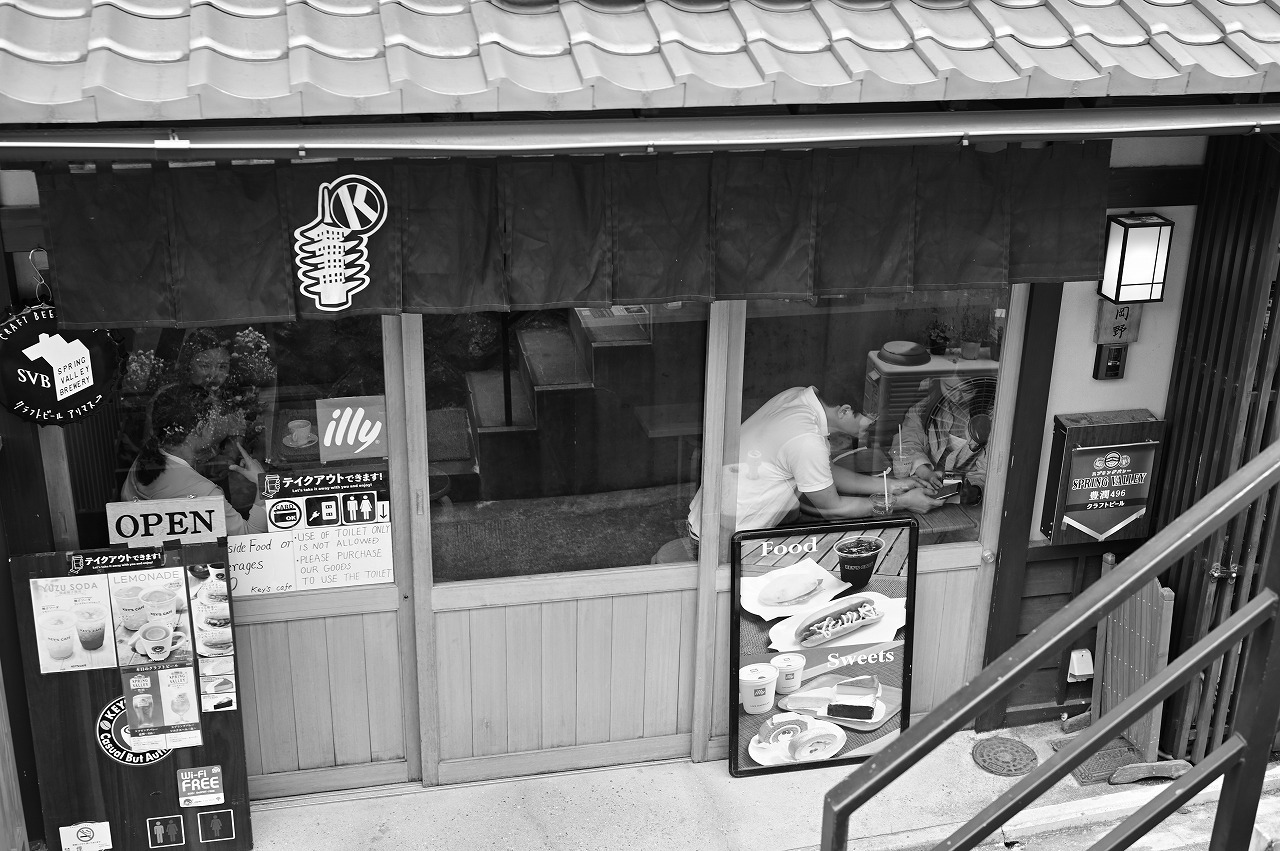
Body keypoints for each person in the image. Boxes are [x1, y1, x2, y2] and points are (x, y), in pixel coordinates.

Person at [687, 386, 943, 542]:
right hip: (722, 540)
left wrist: (894, 486)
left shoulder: (798, 397)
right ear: (844, 411)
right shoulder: (806, 439)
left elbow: (824, 473)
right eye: (870, 419)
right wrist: (904, 502)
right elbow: (834, 509)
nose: (872, 426)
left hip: (709, 519)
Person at [121, 384, 268, 536]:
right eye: (215, 419)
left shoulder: (145, 457)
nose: (219, 423)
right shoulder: (206, 493)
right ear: (200, 427)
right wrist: (263, 482)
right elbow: (250, 536)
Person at [894, 376, 990, 505]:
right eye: (949, 388)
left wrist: (974, 491)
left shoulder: (993, 420)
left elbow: (991, 471)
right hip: (920, 490)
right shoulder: (926, 406)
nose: (956, 398)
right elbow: (908, 440)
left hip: (966, 505)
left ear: (982, 386)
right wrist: (926, 473)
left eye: (966, 391)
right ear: (939, 378)